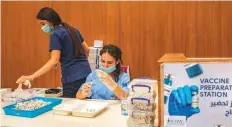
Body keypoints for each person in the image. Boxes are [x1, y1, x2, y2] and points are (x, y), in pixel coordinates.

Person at [16, 7, 91, 98]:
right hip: (87, 74)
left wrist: (31, 77)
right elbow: (87, 49)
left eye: (43, 24)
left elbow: (54, 60)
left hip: (72, 79)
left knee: (71, 105)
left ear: (50, 21)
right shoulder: (73, 29)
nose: (42, 27)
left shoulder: (56, 34)